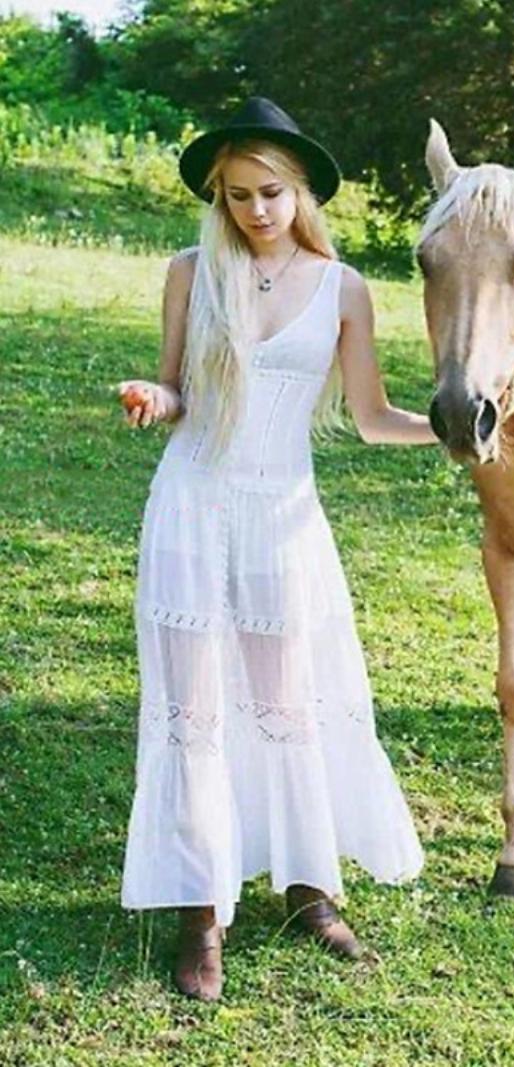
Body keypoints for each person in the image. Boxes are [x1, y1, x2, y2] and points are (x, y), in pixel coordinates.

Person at [116, 96, 438, 1001]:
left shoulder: (342, 290)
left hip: (283, 516)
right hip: (191, 506)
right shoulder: (192, 271)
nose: (255, 212)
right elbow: (179, 391)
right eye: (235, 196)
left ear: (299, 191)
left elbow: (373, 418)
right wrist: (153, 392)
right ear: (217, 200)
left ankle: (309, 887)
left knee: (287, 703)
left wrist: (453, 431)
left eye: (269, 193)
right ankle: (201, 911)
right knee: (194, 713)